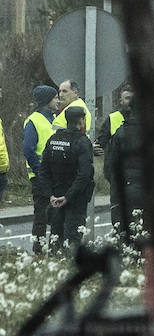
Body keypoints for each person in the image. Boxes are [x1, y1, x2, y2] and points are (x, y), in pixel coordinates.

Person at [46, 105, 95, 251]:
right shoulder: (83, 142)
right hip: (75, 200)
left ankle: (52, 270)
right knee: (73, 242)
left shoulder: (53, 139)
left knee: (55, 239)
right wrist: (68, 197)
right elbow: (84, 175)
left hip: (55, 197)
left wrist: (50, 195)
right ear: (81, 121)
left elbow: (44, 171)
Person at [23, 85, 60, 253]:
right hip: (40, 177)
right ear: (46, 101)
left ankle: (55, 249)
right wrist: (39, 172)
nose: (58, 100)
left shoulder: (56, 120)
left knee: (57, 215)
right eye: (55, 98)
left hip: (56, 176)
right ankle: (38, 251)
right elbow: (28, 150)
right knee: (42, 216)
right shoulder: (33, 121)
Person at [105, 100, 143, 243]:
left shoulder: (119, 133)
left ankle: (128, 258)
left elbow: (109, 166)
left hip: (124, 187)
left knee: (124, 230)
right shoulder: (153, 133)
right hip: (147, 189)